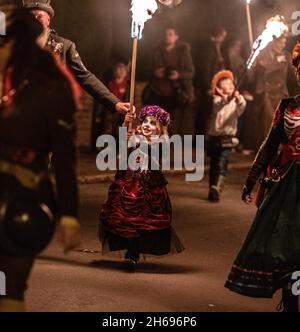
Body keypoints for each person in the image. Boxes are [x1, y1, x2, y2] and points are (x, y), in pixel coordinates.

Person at [0, 7, 81, 312]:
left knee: (11, 285)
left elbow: (64, 158)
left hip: (26, 204)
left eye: (3, 43)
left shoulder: (52, 91)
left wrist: (69, 215)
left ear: (16, 46)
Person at [225, 43, 300, 312]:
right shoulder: (286, 106)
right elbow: (269, 146)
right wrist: (251, 178)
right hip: (287, 186)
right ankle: (292, 306)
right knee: (285, 249)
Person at [21, 0, 133, 147]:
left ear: (48, 20)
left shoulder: (65, 47)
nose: (34, 21)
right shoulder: (14, 45)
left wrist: (115, 103)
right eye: (31, 17)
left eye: (39, 17)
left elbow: (86, 77)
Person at [99, 106, 184, 271]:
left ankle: (135, 252)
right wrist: (126, 125)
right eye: (145, 121)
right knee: (127, 217)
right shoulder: (135, 137)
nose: (146, 125)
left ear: (159, 128)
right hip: (129, 182)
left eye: (152, 123)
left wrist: (140, 140)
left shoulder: (161, 141)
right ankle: (131, 252)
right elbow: (123, 142)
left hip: (149, 184)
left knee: (144, 219)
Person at [242, 37, 297, 152]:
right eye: (280, 43)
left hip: (281, 92)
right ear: (273, 43)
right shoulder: (262, 56)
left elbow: (293, 72)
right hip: (266, 93)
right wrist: (252, 63)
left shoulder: (286, 55)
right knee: (268, 121)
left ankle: (279, 147)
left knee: (282, 121)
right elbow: (253, 75)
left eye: (284, 43)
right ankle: (267, 148)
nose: (282, 45)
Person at [143, 26, 195, 135]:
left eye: (170, 34)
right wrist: (155, 72)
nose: (167, 37)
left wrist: (178, 75)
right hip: (158, 90)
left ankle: (168, 142)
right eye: (166, 34)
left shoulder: (183, 52)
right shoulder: (157, 51)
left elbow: (190, 72)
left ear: (176, 37)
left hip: (175, 91)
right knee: (155, 117)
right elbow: (147, 69)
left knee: (171, 119)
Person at [207, 70, 246, 202]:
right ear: (219, 89)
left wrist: (238, 98)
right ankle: (212, 187)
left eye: (231, 85)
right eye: (226, 86)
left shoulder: (237, 101)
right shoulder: (216, 100)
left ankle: (218, 188)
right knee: (213, 164)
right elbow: (217, 106)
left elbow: (242, 106)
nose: (230, 87)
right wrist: (226, 99)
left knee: (222, 163)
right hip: (214, 138)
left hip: (228, 139)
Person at [198, 26, 227, 135]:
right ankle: (199, 140)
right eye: (223, 36)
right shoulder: (209, 47)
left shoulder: (216, 47)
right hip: (208, 85)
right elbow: (206, 67)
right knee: (203, 113)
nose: (223, 39)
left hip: (214, 85)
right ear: (218, 35)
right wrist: (209, 86)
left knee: (209, 113)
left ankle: (204, 138)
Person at [91, 63, 129, 144]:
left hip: (123, 114)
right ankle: (106, 150)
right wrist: (98, 114)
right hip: (110, 112)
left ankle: (120, 152)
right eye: (119, 69)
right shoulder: (110, 84)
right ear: (115, 72)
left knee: (121, 132)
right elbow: (103, 98)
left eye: (124, 69)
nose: (122, 71)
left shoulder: (128, 85)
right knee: (108, 131)